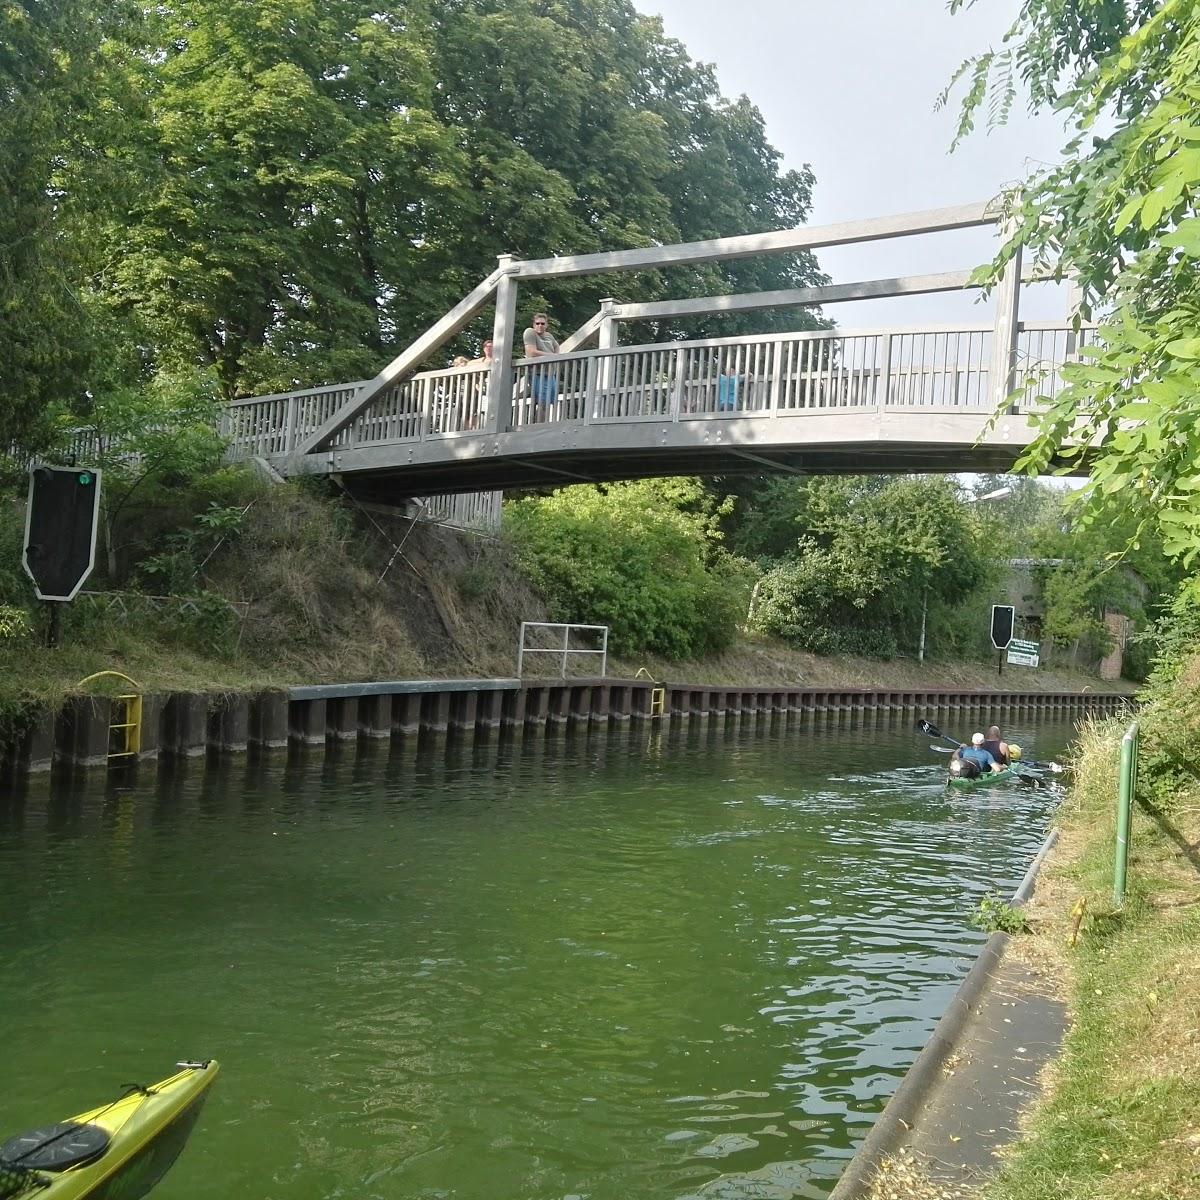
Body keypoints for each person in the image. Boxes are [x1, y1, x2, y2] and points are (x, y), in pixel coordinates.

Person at [522, 313, 560, 418]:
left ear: (546, 325)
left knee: (551, 402)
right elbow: (531, 351)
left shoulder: (549, 336)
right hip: (538, 373)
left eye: (542, 323)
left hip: (551, 373)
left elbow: (557, 346)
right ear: (533, 324)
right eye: (537, 323)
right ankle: (538, 425)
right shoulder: (530, 332)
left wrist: (555, 355)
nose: (540, 325)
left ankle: (547, 423)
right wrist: (551, 356)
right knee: (541, 401)